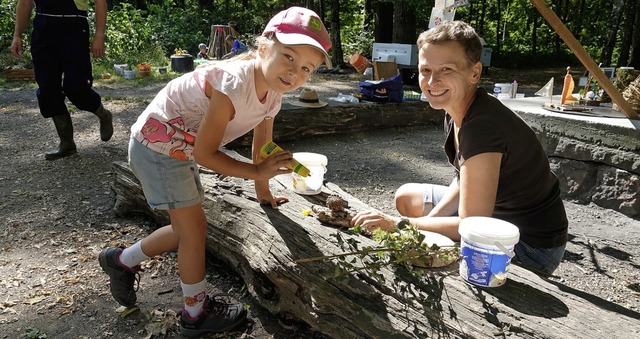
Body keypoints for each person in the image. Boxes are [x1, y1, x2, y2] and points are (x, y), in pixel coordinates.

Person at [98, 6, 331, 337]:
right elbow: (207, 154)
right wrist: (255, 173)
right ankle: (195, 314)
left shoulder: (274, 95)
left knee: (184, 230)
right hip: (157, 145)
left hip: (178, 148)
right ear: (264, 47)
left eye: (306, 68)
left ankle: (120, 260)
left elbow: (262, 145)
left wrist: (264, 193)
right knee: (194, 229)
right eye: (289, 57)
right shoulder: (234, 83)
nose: (294, 72)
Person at [350, 21, 568, 275]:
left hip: (530, 246)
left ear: (474, 73)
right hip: (496, 217)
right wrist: (424, 225)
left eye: (446, 69)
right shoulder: (458, 108)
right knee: (407, 196)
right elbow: (463, 180)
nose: (432, 81)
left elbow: (471, 223)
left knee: (428, 265)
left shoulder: (481, 128)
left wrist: (399, 225)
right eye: (425, 69)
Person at [10, 0, 113, 160]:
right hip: (43, 29)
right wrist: (17, 35)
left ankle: (103, 113)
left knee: (77, 87)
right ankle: (66, 142)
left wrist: (99, 35)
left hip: (74, 26)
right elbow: (24, 3)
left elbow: (100, 2)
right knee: (47, 89)